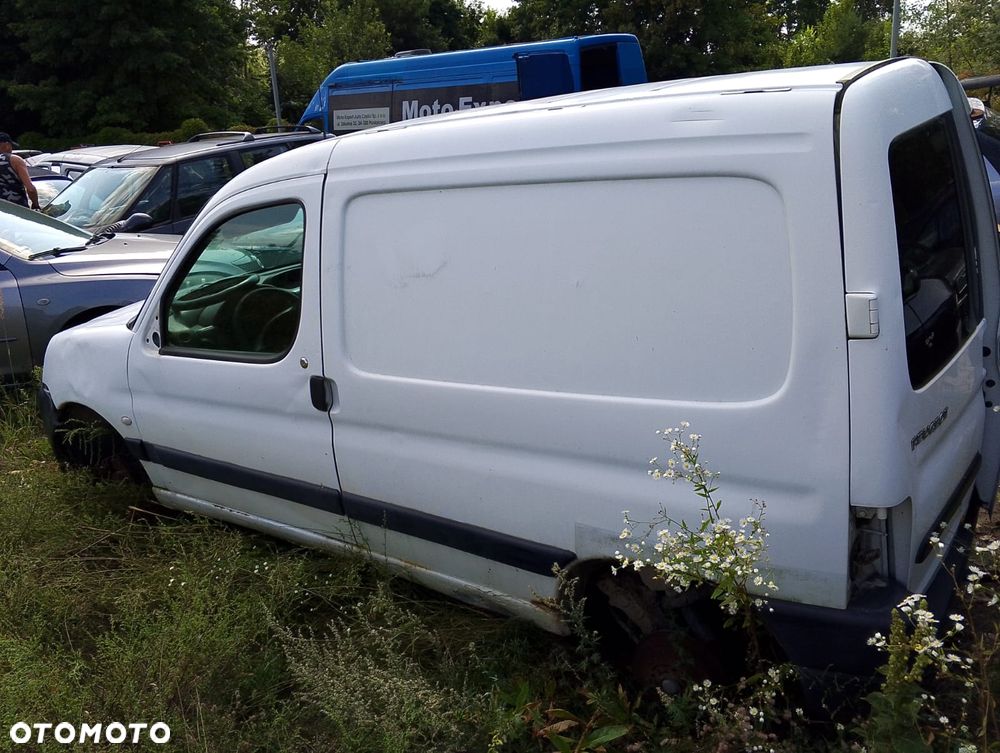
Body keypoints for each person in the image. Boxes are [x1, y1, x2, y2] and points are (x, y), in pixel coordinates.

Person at [0, 132, 39, 209]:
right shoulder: (14, 160)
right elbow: (31, 189)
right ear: (7, 145)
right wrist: (36, 204)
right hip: (17, 211)